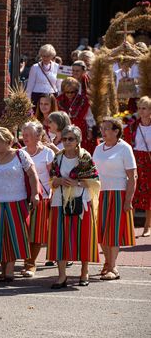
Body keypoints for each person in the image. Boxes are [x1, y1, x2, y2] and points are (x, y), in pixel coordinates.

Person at [0, 127, 39, 281]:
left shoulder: (20, 155)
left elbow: (32, 174)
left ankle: (9, 269)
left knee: (14, 237)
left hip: (17, 202)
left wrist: (35, 194)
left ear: (8, 142)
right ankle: (4, 268)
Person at [48, 125, 100, 288]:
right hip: (59, 201)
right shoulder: (58, 157)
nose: (67, 142)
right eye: (64, 139)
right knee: (60, 238)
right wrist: (59, 181)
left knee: (83, 238)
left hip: (81, 201)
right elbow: (52, 180)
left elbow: (95, 181)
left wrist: (76, 182)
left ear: (78, 140)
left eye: (70, 138)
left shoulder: (85, 157)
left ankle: (84, 272)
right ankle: (61, 276)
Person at [94, 117, 137, 280]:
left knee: (113, 232)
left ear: (116, 131)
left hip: (118, 193)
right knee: (102, 230)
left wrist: (128, 200)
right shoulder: (98, 148)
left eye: (106, 128)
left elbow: (133, 177)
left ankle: (114, 267)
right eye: (102, 128)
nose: (103, 132)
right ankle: (107, 263)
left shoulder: (124, 148)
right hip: (100, 193)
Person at [21, 121, 55, 277]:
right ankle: (25, 260)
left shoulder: (48, 153)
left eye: (28, 134)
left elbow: (54, 177)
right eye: (23, 134)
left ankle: (30, 264)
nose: (24, 137)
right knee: (24, 231)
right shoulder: (20, 152)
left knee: (36, 232)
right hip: (22, 196)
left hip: (42, 197)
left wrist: (53, 196)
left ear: (38, 136)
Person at [124, 96, 151, 237]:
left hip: (149, 160)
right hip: (135, 160)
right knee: (133, 192)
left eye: (144, 108)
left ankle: (147, 226)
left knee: (149, 194)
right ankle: (130, 226)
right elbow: (127, 139)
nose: (141, 111)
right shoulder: (133, 125)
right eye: (139, 108)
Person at [56, 77, 97, 153]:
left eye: (72, 92)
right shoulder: (58, 100)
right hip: (64, 132)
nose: (69, 94)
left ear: (77, 91)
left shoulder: (83, 100)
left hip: (81, 131)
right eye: (67, 92)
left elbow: (90, 118)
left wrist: (90, 130)